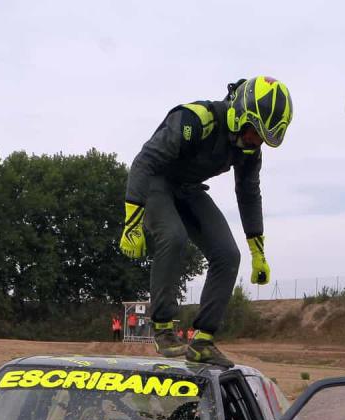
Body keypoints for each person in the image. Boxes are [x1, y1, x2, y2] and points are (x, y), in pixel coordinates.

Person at [120, 76, 293, 367]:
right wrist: (131, 224)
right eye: (255, 132)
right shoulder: (196, 119)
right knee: (174, 236)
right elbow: (143, 162)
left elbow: (249, 195)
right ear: (240, 114)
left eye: (263, 138)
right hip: (155, 182)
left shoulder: (249, 150)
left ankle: (203, 342)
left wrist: (258, 253)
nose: (256, 141)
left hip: (188, 189)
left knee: (228, 255)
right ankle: (162, 328)